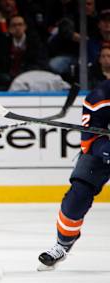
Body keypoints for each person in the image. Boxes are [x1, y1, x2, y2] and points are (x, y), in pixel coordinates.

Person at [38, 79, 110, 271]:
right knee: (76, 198)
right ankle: (63, 245)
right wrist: (106, 149)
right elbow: (90, 140)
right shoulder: (100, 96)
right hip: (104, 152)